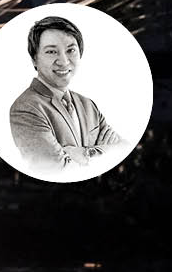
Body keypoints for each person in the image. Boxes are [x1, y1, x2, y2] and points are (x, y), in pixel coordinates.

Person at [9, 15, 122, 171]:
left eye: (71, 50)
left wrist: (84, 153)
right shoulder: (26, 108)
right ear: (34, 59)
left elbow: (122, 150)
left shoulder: (88, 104)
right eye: (51, 52)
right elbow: (55, 170)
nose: (64, 61)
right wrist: (103, 154)